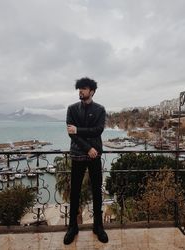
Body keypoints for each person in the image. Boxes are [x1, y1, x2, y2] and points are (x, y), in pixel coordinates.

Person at [64, 77, 108, 245]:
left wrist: (79, 130)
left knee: (97, 191)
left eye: (84, 88)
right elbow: (71, 133)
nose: (80, 91)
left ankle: (98, 226)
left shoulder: (100, 109)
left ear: (92, 91)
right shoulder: (72, 109)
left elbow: (98, 130)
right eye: (79, 88)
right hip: (81, 155)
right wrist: (88, 148)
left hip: (94, 155)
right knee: (74, 191)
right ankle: (72, 227)